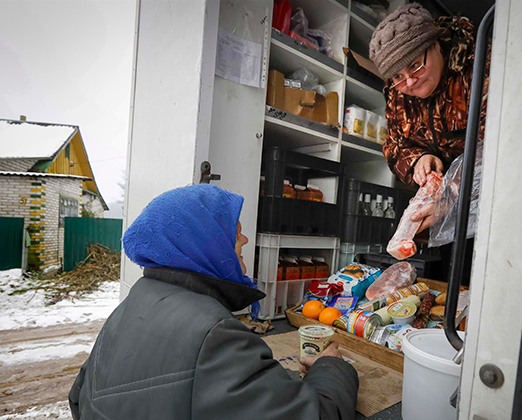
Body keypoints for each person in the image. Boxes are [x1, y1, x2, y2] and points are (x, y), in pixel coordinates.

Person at [68, 184, 359, 420]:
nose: (244, 240)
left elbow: (79, 398)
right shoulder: (214, 333)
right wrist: (331, 367)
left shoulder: (131, 305)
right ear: (203, 243)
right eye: (234, 232)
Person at [369, 3, 489, 233]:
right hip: (441, 213)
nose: (410, 82)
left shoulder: (480, 64)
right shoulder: (397, 91)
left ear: (435, 46)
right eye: (398, 76)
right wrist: (418, 158)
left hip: (494, 201)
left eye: (415, 65)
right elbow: (394, 145)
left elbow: (502, 143)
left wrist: (453, 192)